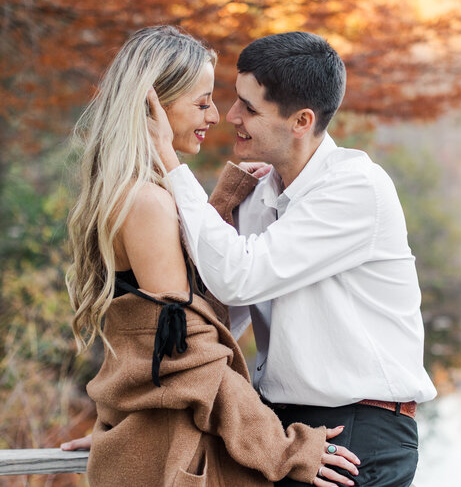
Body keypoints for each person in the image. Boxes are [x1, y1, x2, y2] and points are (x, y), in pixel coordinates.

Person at [63, 25, 359, 487]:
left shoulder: (133, 193)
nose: (218, 115)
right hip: (169, 450)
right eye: (202, 102)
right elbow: (188, 354)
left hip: (155, 435)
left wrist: (123, 421)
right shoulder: (148, 203)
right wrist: (283, 451)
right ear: (152, 107)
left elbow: (163, 328)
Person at [150, 31, 437, 487]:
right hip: (281, 430)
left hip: (359, 433)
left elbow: (237, 278)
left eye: (250, 108)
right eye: (236, 99)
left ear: (301, 121)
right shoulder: (260, 195)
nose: (232, 116)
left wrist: (169, 162)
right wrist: (145, 419)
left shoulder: (356, 189)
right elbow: (223, 317)